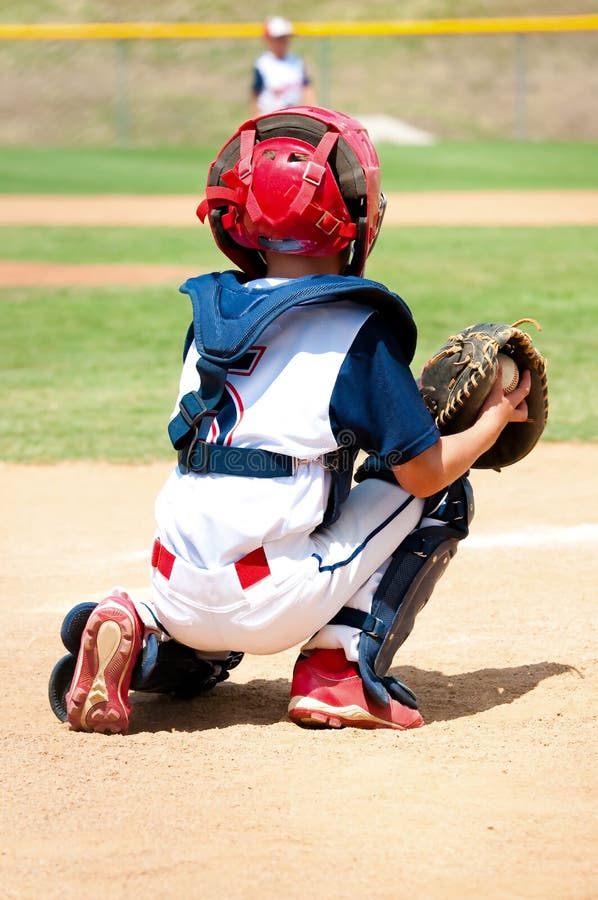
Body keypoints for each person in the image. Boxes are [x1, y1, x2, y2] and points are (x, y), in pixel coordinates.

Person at [49, 105, 531, 735]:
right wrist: (494, 418)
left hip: (173, 576)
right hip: (268, 595)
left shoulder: (211, 317)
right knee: (444, 495)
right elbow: (423, 473)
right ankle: (339, 670)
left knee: (212, 605)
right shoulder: (359, 331)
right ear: (355, 216)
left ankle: (146, 641)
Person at [250, 16, 316, 115]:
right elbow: (256, 94)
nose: (284, 42)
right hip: (269, 116)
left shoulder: (297, 62)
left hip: (293, 115)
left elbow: (307, 88)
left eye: (286, 38)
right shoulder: (263, 64)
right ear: (269, 40)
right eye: (280, 38)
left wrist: (313, 111)